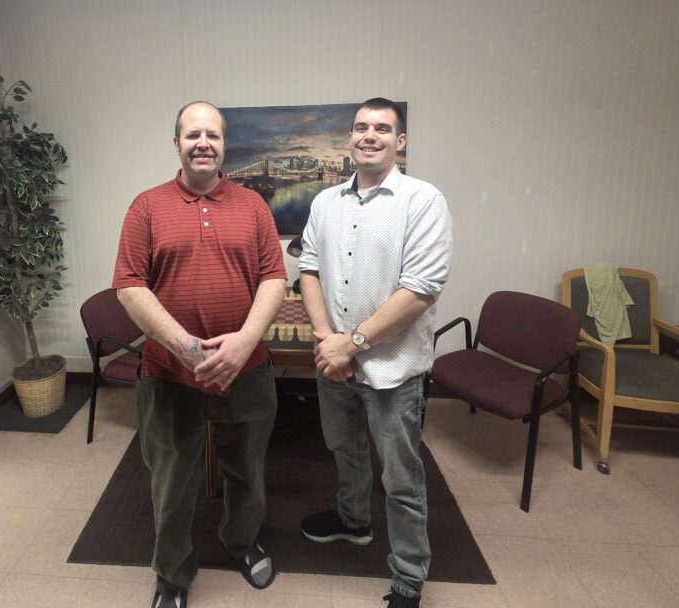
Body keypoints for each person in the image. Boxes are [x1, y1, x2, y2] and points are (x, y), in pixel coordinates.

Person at [113, 101, 287, 608]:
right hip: (168, 373)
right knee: (172, 480)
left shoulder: (253, 205)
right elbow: (128, 285)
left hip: (247, 370)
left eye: (213, 134)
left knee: (247, 472)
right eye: (193, 135)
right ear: (177, 143)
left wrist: (244, 342)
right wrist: (187, 349)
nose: (203, 143)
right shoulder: (146, 206)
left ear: (225, 144)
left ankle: (242, 541)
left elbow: (274, 278)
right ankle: (172, 573)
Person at [298, 98, 452, 608]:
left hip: (393, 369)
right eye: (361, 127)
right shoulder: (325, 202)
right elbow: (310, 270)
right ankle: (353, 521)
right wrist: (326, 341)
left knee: (401, 477)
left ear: (399, 141)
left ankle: (408, 577)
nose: (370, 135)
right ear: (349, 138)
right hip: (335, 363)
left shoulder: (423, 200)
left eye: (382, 128)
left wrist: (352, 343)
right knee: (345, 450)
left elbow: (420, 290)